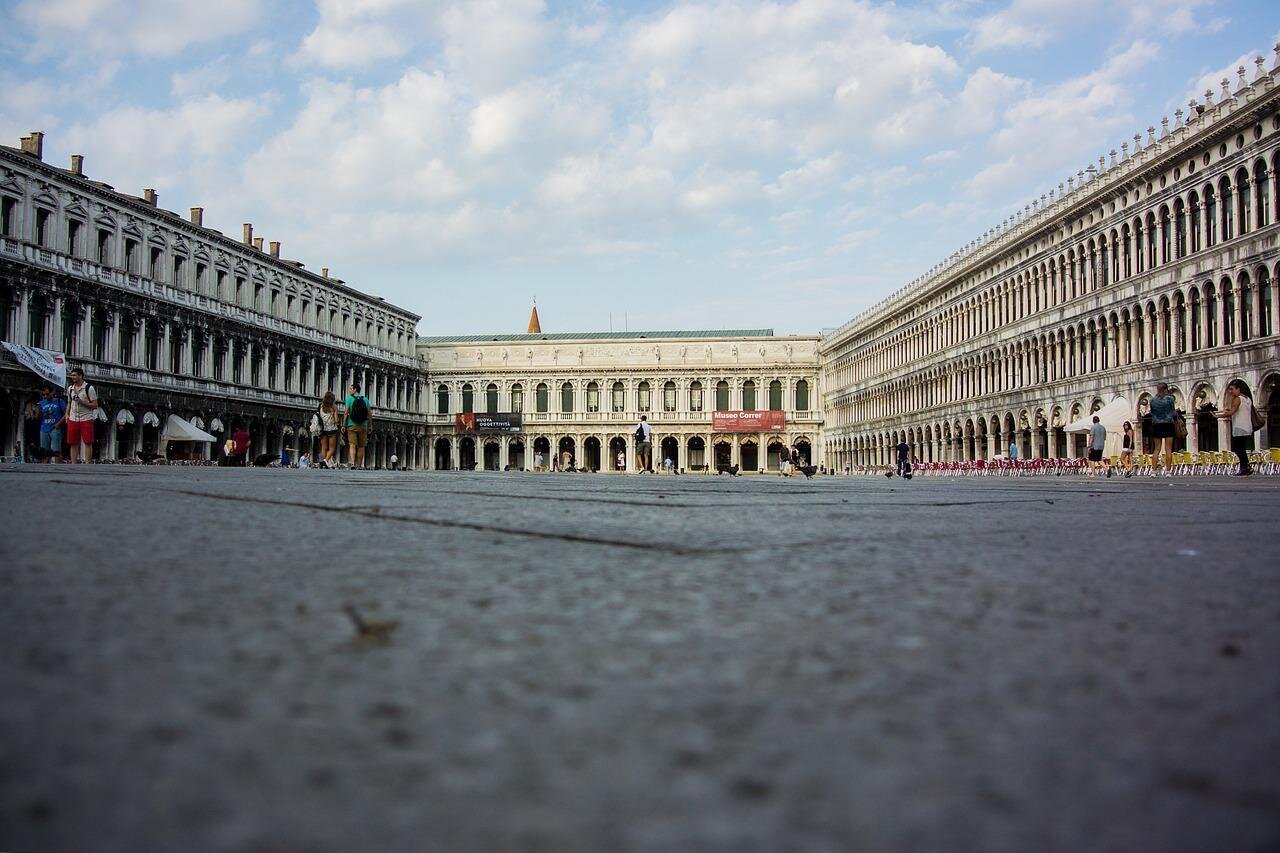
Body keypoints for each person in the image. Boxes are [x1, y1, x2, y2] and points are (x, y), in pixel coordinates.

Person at [1217, 380, 1255, 476]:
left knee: (1237, 448)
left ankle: (1245, 467)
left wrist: (1218, 416)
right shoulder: (1248, 399)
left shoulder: (1238, 399)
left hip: (1239, 427)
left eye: (1232, 389)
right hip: (1247, 427)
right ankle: (1245, 467)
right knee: (1241, 447)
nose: (1231, 391)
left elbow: (1231, 412)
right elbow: (1240, 411)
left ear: (1238, 389)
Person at [65, 368, 99, 464]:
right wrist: (67, 414)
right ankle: (73, 463)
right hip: (73, 418)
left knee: (88, 442)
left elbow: (95, 405)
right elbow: (69, 402)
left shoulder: (89, 388)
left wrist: (82, 402)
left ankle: (87, 463)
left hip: (86, 418)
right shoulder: (70, 389)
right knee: (73, 442)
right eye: (72, 375)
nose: (72, 377)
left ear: (80, 376)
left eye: (74, 375)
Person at [1149, 382, 1176, 476]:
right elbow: (1173, 412)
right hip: (1168, 424)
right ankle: (1168, 471)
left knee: (1157, 449)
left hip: (1156, 424)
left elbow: (1152, 412)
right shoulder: (1170, 399)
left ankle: (1153, 471)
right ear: (1165, 390)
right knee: (1168, 449)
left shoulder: (1152, 400)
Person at [343, 383, 372, 469]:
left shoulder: (349, 399)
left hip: (351, 425)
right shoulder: (365, 399)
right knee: (361, 446)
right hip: (363, 425)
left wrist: (344, 425)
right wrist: (370, 425)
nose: (349, 390)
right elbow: (369, 414)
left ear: (355, 389)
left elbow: (346, 413)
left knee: (352, 445)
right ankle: (359, 465)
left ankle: (352, 463)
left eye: (351, 389)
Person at [37, 386, 67, 463]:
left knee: (56, 450)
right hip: (44, 428)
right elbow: (38, 417)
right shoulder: (41, 403)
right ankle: (44, 467)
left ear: (52, 392)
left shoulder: (59, 401)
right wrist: (39, 410)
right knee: (44, 452)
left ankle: (57, 467)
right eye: (43, 395)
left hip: (55, 428)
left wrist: (58, 424)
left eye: (47, 394)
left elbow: (66, 414)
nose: (45, 396)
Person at [316, 391, 341, 468]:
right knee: (332, 448)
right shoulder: (334, 407)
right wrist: (334, 414)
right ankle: (325, 461)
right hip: (332, 429)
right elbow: (336, 420)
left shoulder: (320, 405)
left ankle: (323, 463)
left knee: (324, 447)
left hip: (322, 429)